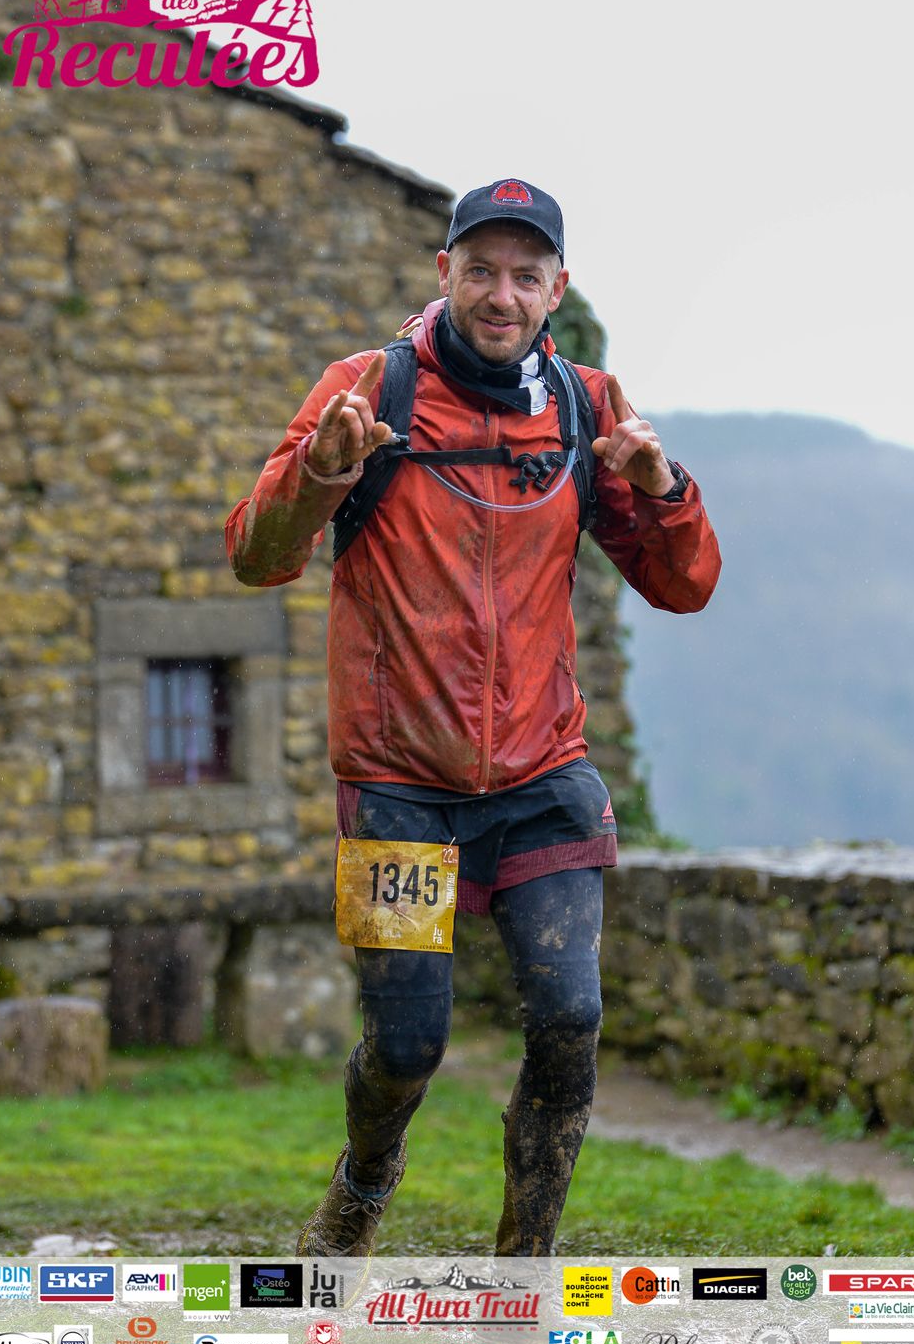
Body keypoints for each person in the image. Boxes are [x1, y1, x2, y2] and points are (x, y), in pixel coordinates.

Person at [224, 178, 721, 1257]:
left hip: (543, 775)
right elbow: (256, 556)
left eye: (524, 276)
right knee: (406, 1045)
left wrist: (661, 484)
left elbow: (683, 587)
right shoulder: (368, 388)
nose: (502, 295)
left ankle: (524, 1262)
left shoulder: (587, 404)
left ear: (556, 289)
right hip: (397, 783)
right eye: (481, 270)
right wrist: (321, 471)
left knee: (570, 1020)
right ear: (442, 270)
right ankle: (363, 1183)